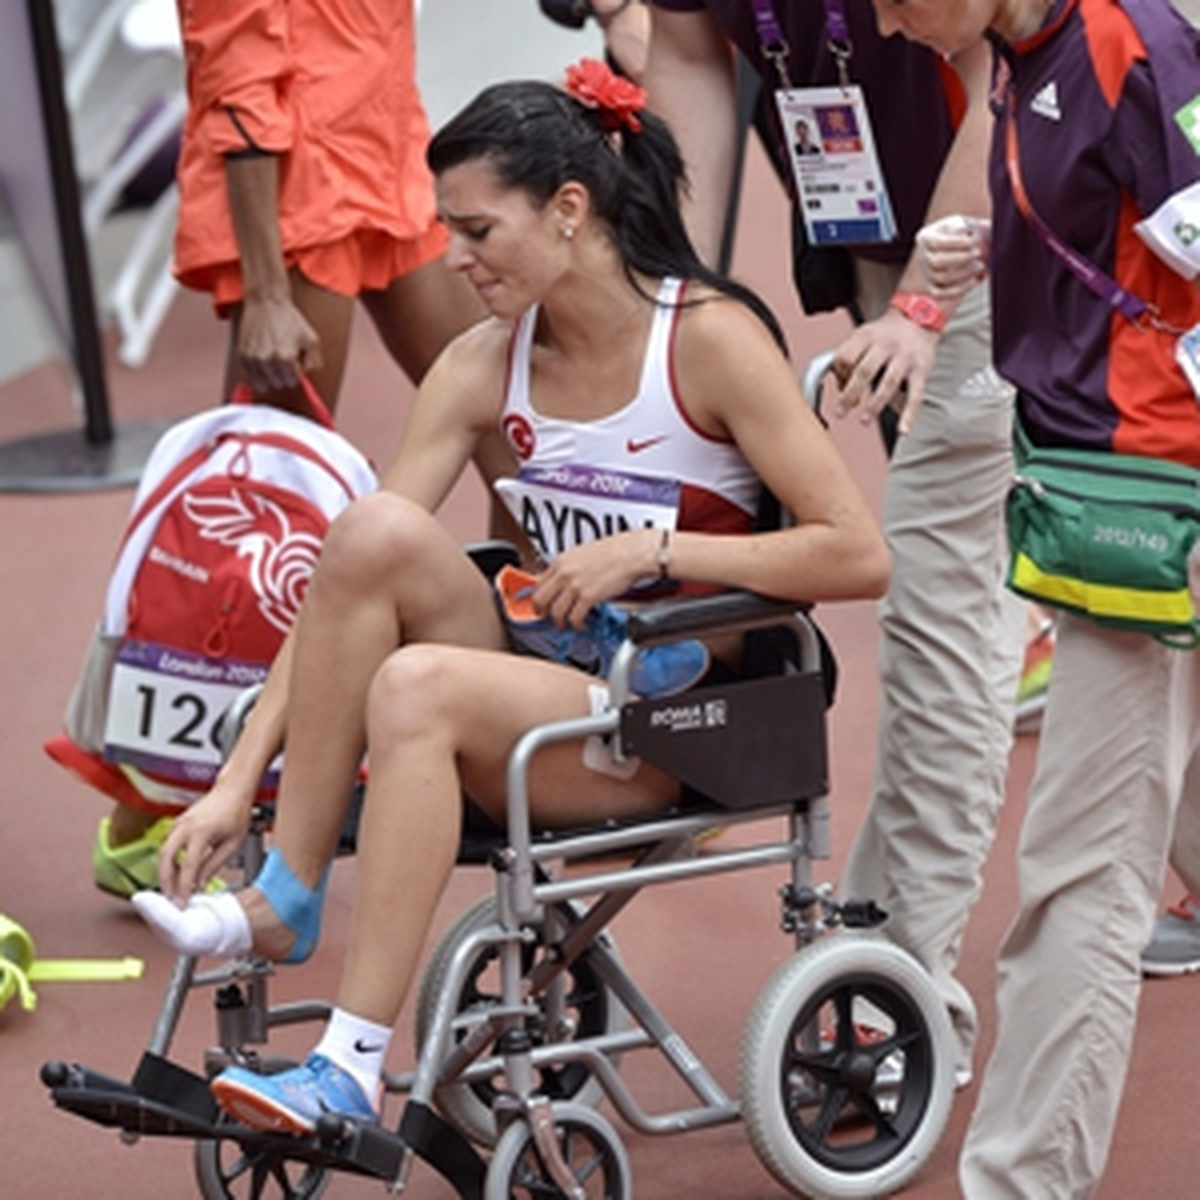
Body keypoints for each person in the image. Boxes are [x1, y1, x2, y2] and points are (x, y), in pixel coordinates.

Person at [130, 59, 891, 1131]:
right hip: (551, 683)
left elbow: (857, 554)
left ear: (569, 209)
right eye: (450, 230)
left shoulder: (710, 341)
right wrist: (232, 783)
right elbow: (345, 586)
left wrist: (653, 549)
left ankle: (349, 1065)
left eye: (478, 230)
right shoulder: (483, 363)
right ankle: (287, 890)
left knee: (416, 686)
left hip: (677, 721)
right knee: (370, 530)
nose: (454, 258)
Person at [644, 0, 1026, 1089]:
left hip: (1013, 215)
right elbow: (688, 47)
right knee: (1122, 593)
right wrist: (668, 292)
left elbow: (1006, 62)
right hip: (879, 228)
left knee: (942, 607)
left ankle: (898, 983)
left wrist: (923, 303)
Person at [877, 0, 1200, 1193]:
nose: (884, 23)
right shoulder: (1018, 50)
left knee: (1079, 869)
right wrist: (992, 250)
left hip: (1148, 502)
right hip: (1093, 477)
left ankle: (1022, 1182)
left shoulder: (1131, 43)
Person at [91, 0, 490, 901]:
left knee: (506, 414)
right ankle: (148, 812)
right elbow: (237, 81)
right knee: (255, 526)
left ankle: (554, 731)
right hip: (298, 201)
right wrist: (266, 292)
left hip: (390, 166)